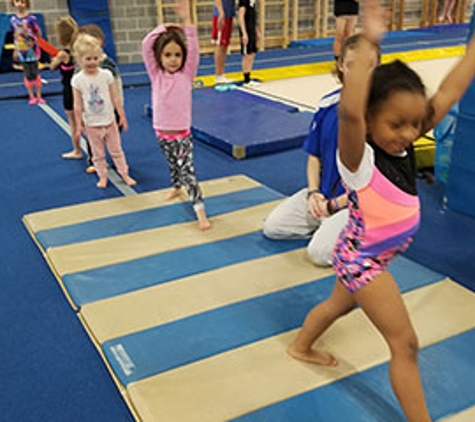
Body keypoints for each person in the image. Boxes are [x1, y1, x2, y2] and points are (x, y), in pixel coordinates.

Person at [287, 0, 475, 420]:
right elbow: (350, 111)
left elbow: (446, 93)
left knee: (339, 305)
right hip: (364, 260)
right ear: (371, 120)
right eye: (397, 124)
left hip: (366, 251)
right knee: (404, 344)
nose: (409, 134)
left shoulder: (400, 136)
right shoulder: (358, 159)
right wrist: (369, 38)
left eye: (415, 123)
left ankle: (301, 345)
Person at [263, 34, 380, 267]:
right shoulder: (328, 104)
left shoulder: (381, 116)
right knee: (273, 227)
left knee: (318, 254)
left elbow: (377, 184)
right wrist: (313, 193)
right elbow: (314, 156)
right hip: (324, 195)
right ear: (341, 66)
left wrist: (334, 205)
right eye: (351, 66)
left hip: (357, 205)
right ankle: (329, 227)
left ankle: (361, 233)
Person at [142, 0, 211, 231]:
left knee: (187, 171)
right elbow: (146, 45)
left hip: (181, 133)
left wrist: (186, 22)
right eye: (168, 54)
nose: (173, 59)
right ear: (159, 57)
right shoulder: (156, 74)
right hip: (161, 131)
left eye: (177, 55)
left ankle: (200, 211)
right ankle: (176, 186)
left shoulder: (186, 74)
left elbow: (193, 48)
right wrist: (162, 27)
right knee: (173, 163)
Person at [72, 34, 137, 189]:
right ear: (79, 59)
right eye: (88, 59)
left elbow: (115, 98)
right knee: (98, 154)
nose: (92, 62)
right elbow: (77, 103)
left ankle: (124, 173)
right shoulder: (77, 79)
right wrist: (79, 124)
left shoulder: (106, 75)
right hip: (91, 124)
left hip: (109, 122)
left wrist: (122, 115)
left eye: (95, 58)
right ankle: (102, 176)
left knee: (117, 151)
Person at [76, 24, 125, 174]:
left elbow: (114, 86)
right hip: (91, 108)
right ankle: (94, 159)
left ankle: (116, 158)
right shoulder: (81, 66)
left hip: (109, 106)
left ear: (100, 42)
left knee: (113, 135)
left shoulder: (107, 64)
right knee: (93, 136)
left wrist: (119, 107)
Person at [49, 16, 81, 159]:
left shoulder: (63, 54)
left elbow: (51, 66)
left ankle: (77, 150)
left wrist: (54, 60)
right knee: (85, 122)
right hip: (80, 90)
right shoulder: (79, 50)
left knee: (73, 123)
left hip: (69, 91)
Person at [10, 0, 45, 105]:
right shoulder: (13, 19)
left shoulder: (31, 18)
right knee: (27, 73)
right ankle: (31, 96)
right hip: (21, 50)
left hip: (32, 50)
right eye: (17, 1)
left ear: (27, 3)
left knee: (36, 72)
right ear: (13, 3)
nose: (20, 4)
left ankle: (39, 95)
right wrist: (16, 50)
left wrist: (34, 41)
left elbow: (38, 33)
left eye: (23, 2)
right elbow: (15, 36)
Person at [212, 0, 235, 84]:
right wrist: (221, 12)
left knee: (224, 44)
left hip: (228, 14)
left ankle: (221, 73)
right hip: (222, 15)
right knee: (220, 44)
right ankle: (219, 75)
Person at [238, 0, 259, 85]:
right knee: (247, 54)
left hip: (252, 29)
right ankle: (246, 79)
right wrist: (244, 33)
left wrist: (257, 31)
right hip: (246, 30)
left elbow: (253, 17)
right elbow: (241, 16)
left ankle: (249, 76)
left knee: (252, 53)